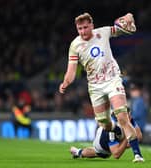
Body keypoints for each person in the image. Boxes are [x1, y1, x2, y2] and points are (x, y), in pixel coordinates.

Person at [59, 12, 144, 162]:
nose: (83, 31)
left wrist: (129, 17)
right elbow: (71, 71)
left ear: (92, 25)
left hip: (113, 80)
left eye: (85, 27)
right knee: (104, 124)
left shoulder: (103, 32)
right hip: (95, 87)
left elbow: (126, 30)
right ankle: (116, 130)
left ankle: (137, 154)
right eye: (80, 28)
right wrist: (66, 82)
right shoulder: (75, 45)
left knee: (122, 116)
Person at [70, 112, 143, 162]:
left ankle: (77, 151)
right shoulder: (113, 129)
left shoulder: (128, 119)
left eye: (129, 116)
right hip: (102, 143)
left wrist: (129, 138)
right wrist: (128, 138)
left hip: (116, 136)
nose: (129, 118)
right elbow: (116, 155)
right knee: (100, 153)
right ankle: (78, 152)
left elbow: (139, 136)